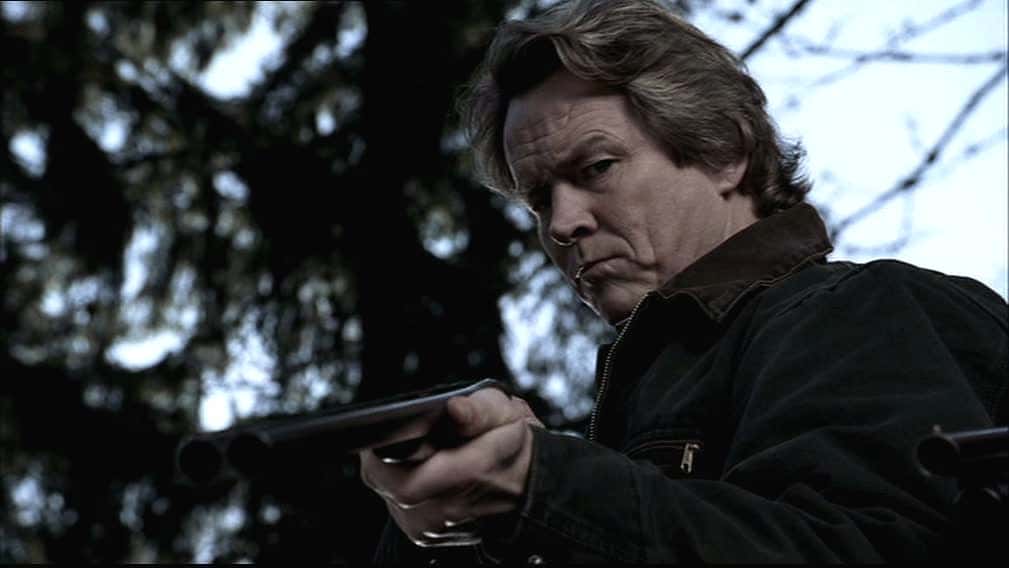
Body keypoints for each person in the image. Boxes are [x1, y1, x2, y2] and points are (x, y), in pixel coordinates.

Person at [359, 0, 1008, 563]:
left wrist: (546, 485)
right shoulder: (644, 393)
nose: (560, 223)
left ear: (724, 150)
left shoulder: (868, 311)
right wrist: (471, 522)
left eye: (596, 168)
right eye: (539, 199)